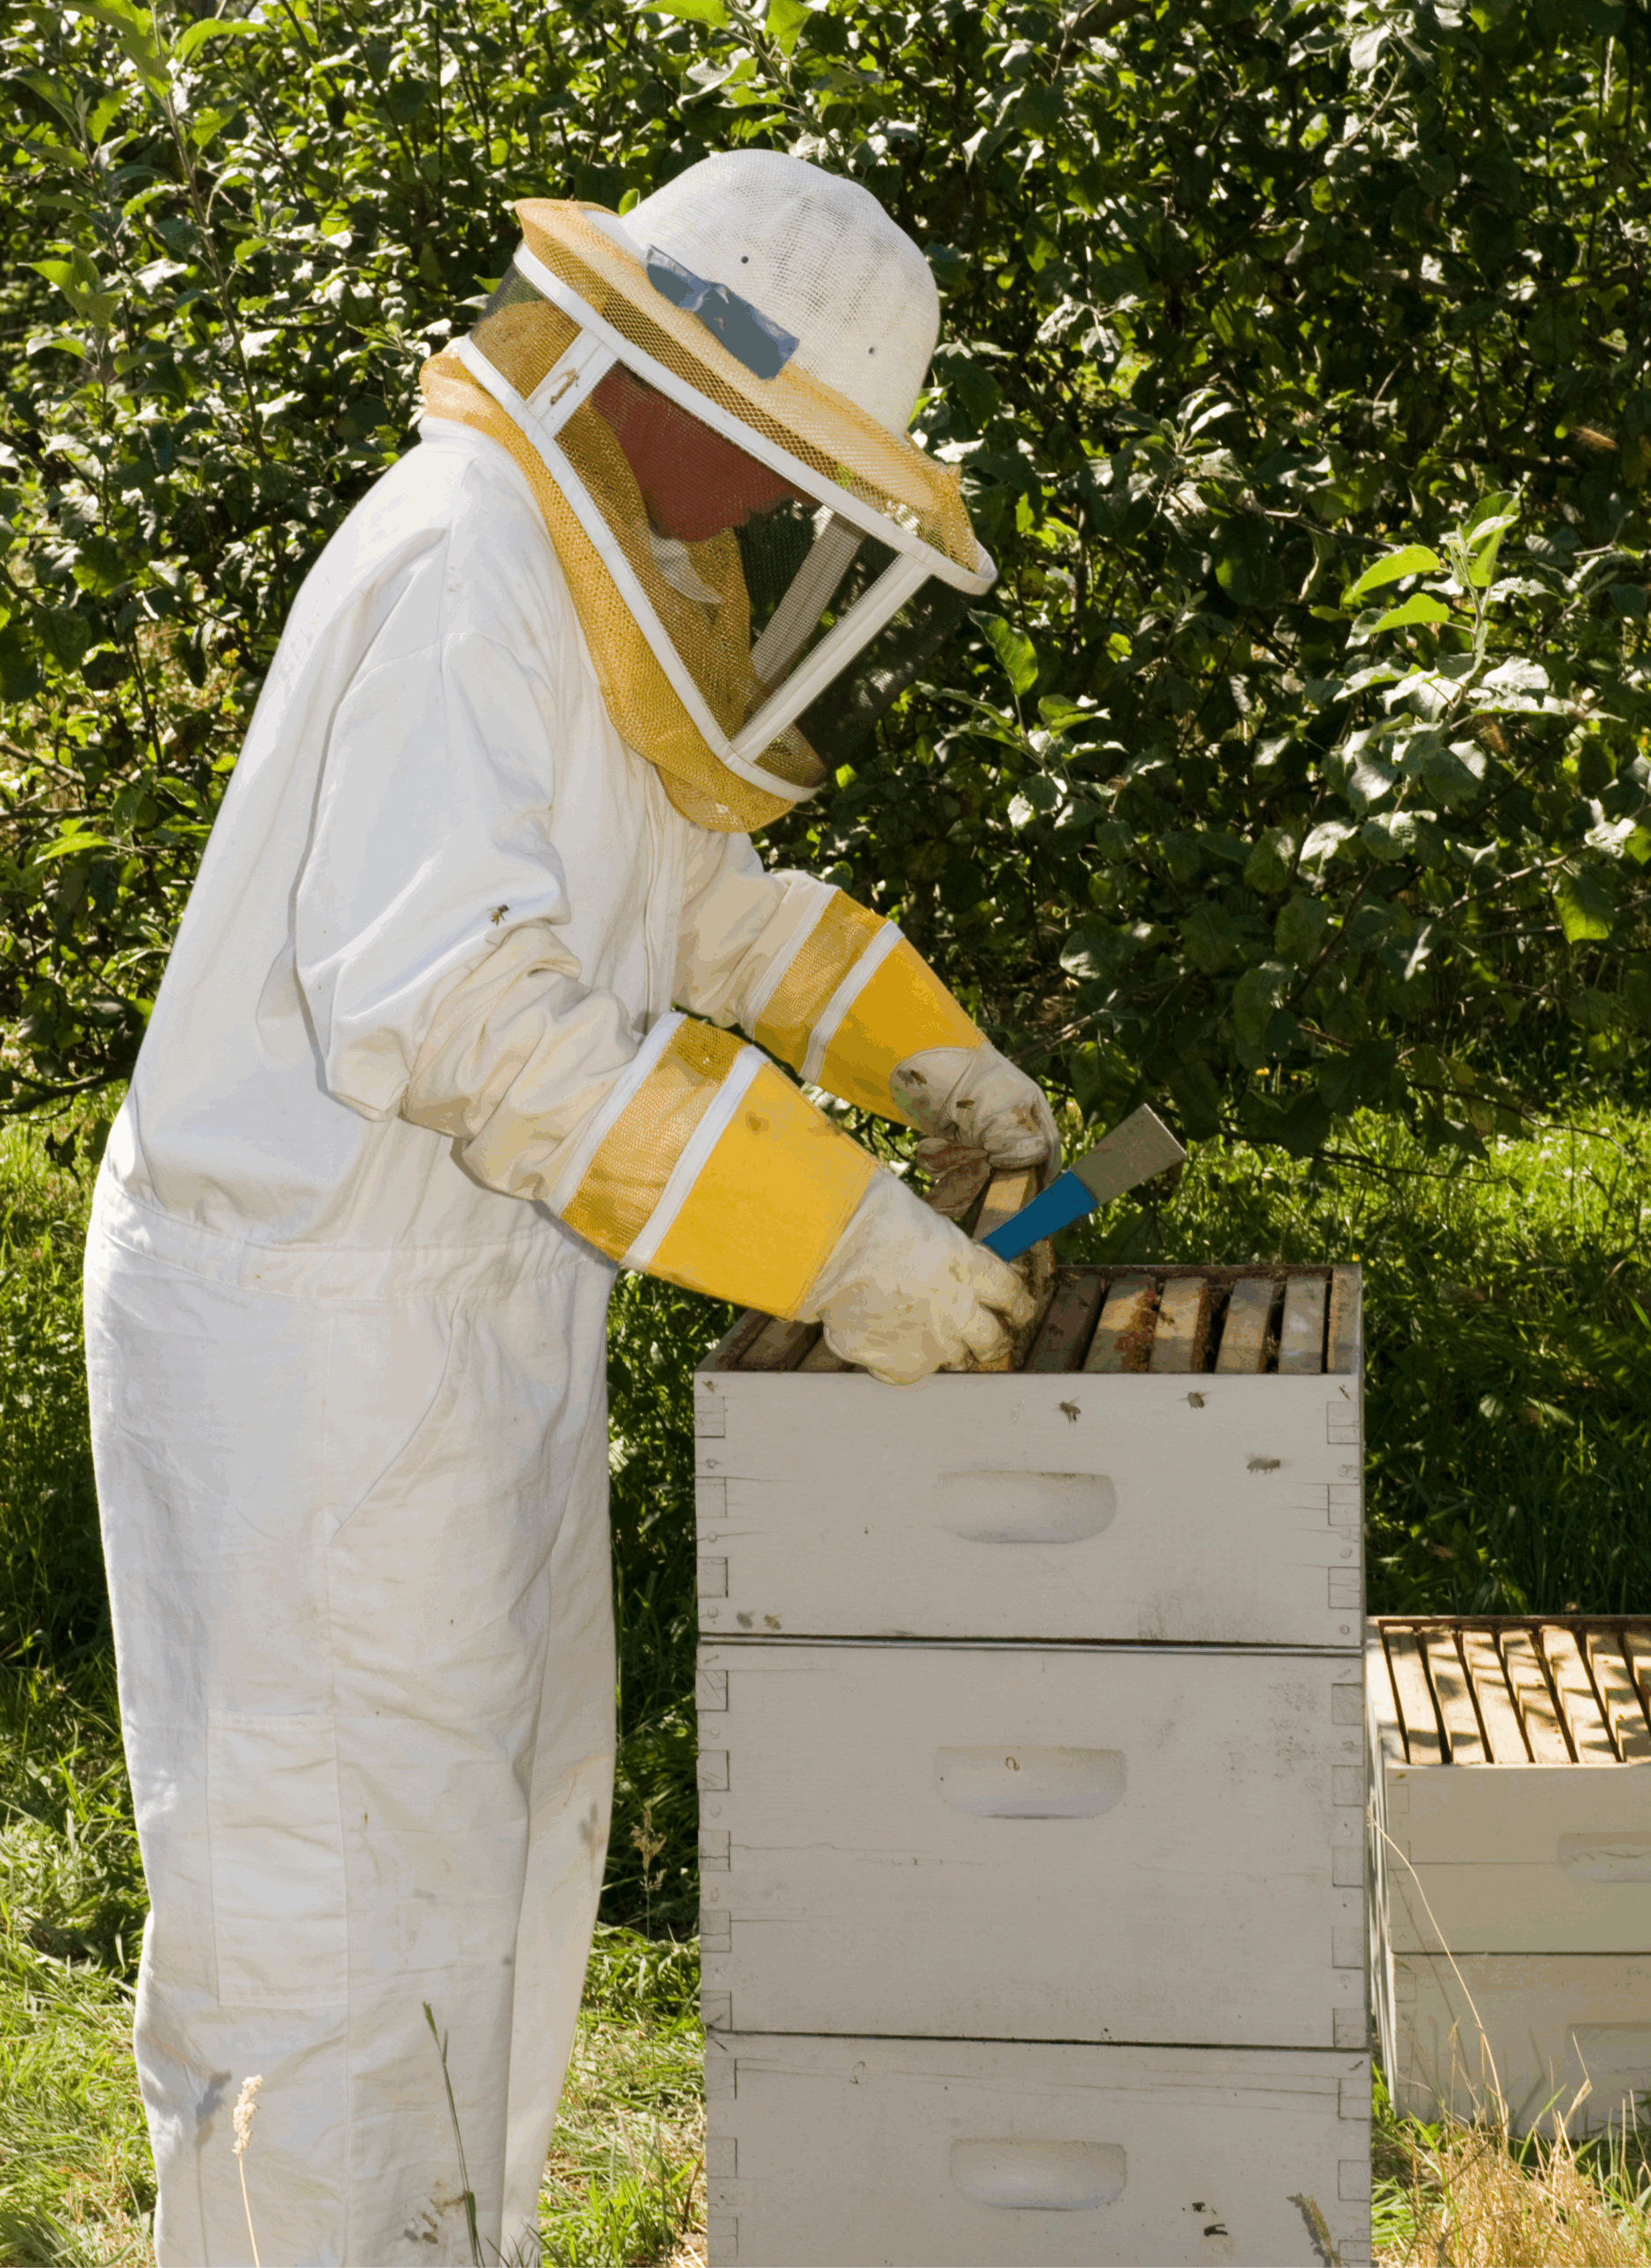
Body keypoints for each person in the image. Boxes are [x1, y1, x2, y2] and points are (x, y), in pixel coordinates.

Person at [83, 149, 1057, 2266]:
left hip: (471, 1318)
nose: (795, 515)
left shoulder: (585, 562)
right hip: (314, 1335)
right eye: (795, 465)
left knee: (501, 1866)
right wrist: (837, 1235)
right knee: (339, 1930)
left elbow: (686, 902)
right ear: (690, 390)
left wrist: (916, 1052)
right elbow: (449, 1004)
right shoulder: (465, 566)